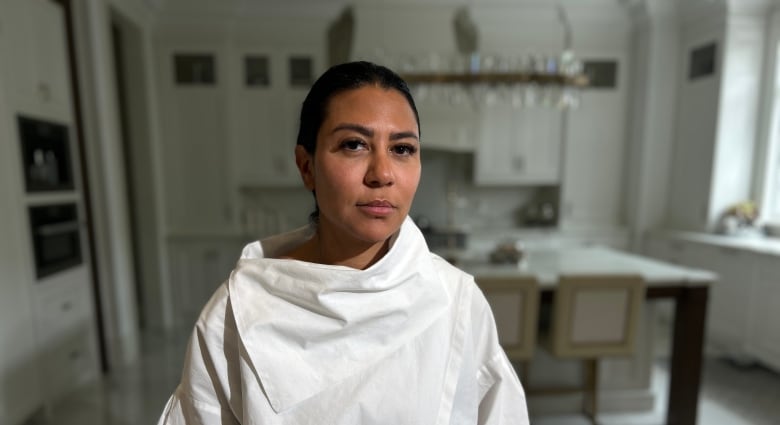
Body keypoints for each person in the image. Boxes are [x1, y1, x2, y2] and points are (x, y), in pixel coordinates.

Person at [158, 61, 530, 424]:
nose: (382, 173)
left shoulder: (455, 303)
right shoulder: (237, 312)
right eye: (354, 145)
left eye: (402, 149)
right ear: (307, 167)